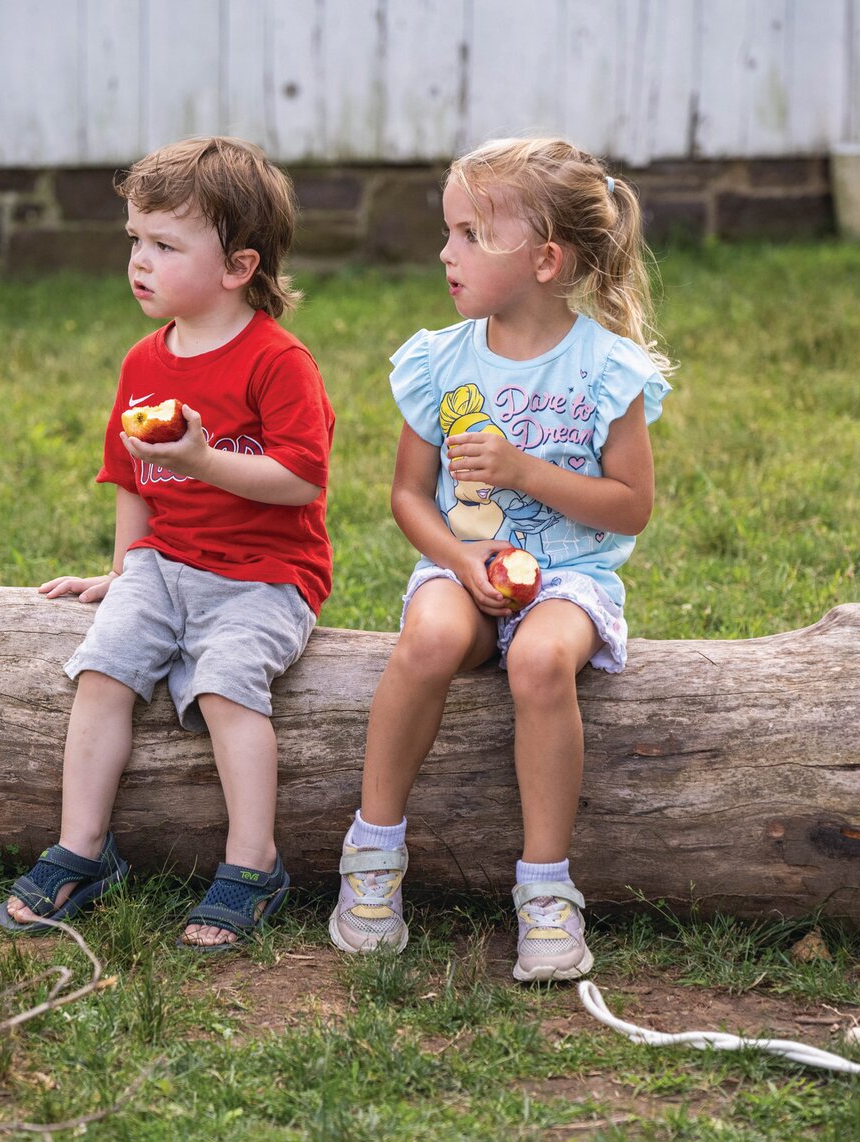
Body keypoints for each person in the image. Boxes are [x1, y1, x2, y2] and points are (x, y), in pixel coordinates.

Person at [328, 138, 671, 981]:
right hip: (463, 564)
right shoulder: (441, 363)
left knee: (545, 659)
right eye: (448, 232)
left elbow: (631, 505)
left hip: (571, 577)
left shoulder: (605, 370)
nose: (447, 252)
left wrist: (525, 473)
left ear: (545, 259)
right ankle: (373, 857)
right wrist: (462, 559)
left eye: (472, 235)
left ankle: (546, 891)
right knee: (430, 640)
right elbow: (410, 496)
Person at [0, 136, 335, 952]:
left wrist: (203, 459)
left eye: (164, 246)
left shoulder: (277, 362)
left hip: (265, 577)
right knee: (103, 670)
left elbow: (301, 479)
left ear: (237, 266)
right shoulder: (145, 360)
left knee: (224, 686)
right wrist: (124, 573)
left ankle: (253, 864)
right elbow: (131, 481)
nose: (139, 263)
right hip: (166, 566)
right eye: (135, 243)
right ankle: (84, 848)